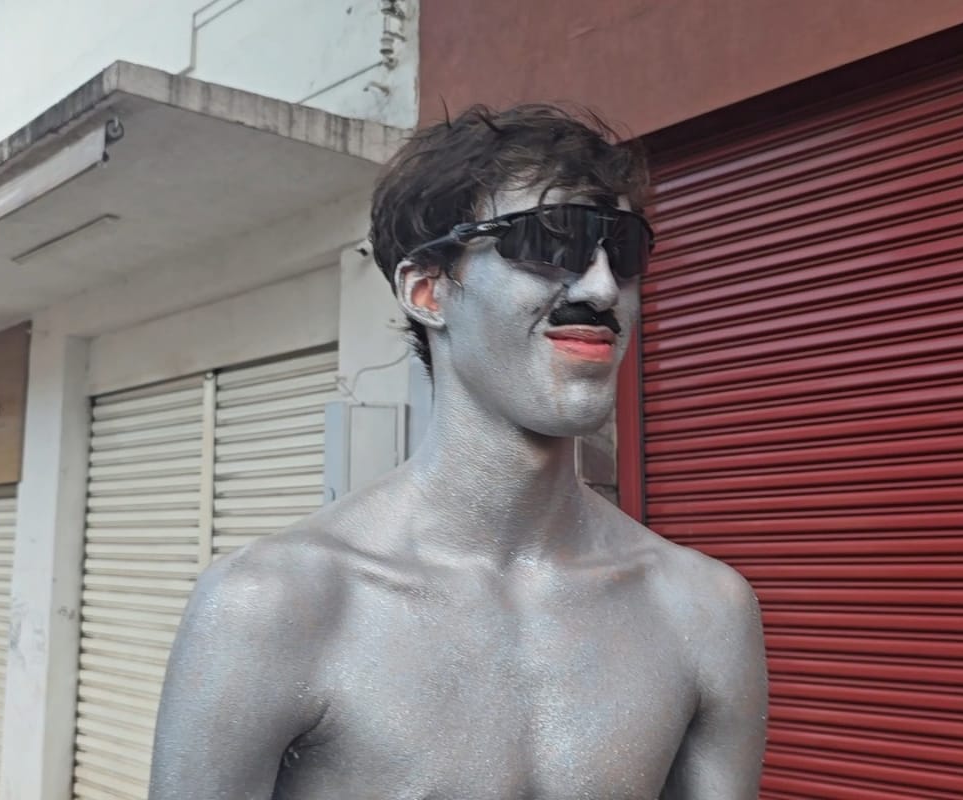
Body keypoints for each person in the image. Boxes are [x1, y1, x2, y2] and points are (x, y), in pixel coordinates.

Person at [149, 104, 768, 799]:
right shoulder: (274, 608)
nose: (600, 288)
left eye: (622, 251)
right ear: (428, 290)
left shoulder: (703, 611)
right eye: (550, 241)